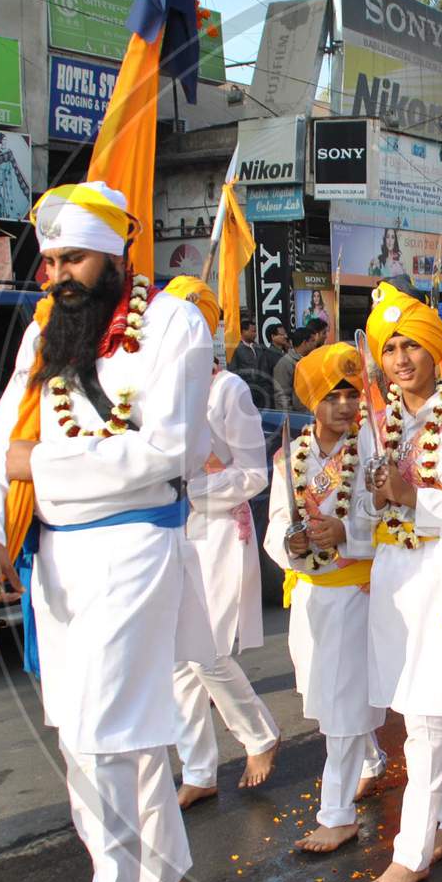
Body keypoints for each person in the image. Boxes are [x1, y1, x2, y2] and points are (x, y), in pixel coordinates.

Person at [0, 181, 212, 882]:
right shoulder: (47, 326)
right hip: (58, 554)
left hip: (134, 546)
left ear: (115, 254)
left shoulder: (173, 322)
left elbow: (163, 452)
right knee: (106, 726)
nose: (56, 273)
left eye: (72, 257)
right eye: (49, 259)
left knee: (94, 733)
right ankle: (161, 871)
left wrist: (37, 466)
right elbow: (4, 429)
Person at [359, 279, 442, 882]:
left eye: (412, 346)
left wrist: (415, 498)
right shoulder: (377, 425)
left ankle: (411, 851)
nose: (402, 359)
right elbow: (364, 509)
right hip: (393, 582)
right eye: (391, 348)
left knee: (428, 719)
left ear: (437, 353)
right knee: (420, 710)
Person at [162, 277, 281, 811]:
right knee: (177, 660)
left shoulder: (227, 388)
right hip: (175, 533)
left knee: (207, 653)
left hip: (217, 533)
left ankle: (259, 735)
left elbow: (254, 473)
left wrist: (195, 490)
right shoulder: (159, 392)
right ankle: (198, 769)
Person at [265, 342, 388, 853]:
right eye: (332, 395)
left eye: (351, 394)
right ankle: (371, 759)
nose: (343, 405)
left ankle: (336, 814)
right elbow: (276, 521)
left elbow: (386, 522)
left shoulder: (371, 452)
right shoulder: (288, 457)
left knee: (340, 703)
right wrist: (289, 543)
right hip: (310, 596)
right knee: (328, 696)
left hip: (355, 594)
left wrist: (348, 535)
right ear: (311, 402)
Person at [274, 322, 325, 411]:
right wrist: (290, 419)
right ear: (304, 343)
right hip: (298, 418)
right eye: (312, 341)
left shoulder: (312, 359)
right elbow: (282, 395)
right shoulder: (285, 363)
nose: (315, 344)